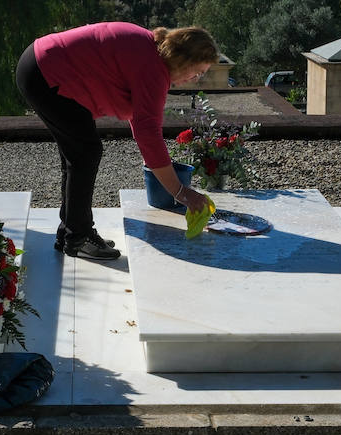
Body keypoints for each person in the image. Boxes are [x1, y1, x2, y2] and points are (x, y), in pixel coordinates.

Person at [15, 21, 218, 260]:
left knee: (78, 153)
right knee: (86, 152)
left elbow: (141, 121)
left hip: (39, 66)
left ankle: (71, 231)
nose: (195, 79)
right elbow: (148, 134)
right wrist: (181, 192)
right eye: (198, 72)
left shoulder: (151, 52)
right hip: (45, 73)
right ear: (185, 60)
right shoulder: (154, 68)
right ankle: (78, 237)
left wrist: (177, 189)